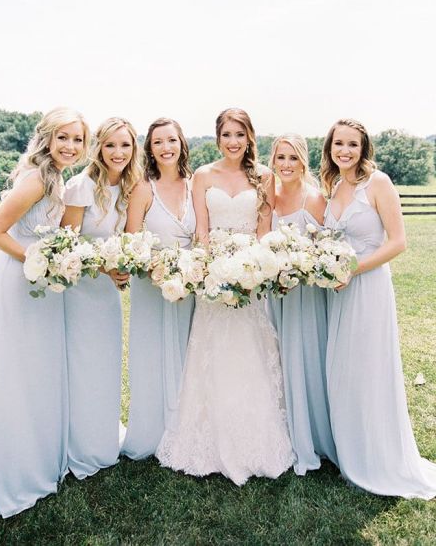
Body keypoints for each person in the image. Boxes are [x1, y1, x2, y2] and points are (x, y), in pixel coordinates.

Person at [0, 107, 90, 519]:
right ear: (47, 139)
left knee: (37, 371)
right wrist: (37, 261)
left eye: (77, 139)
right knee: (16, 371)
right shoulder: (35, 179)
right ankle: (10, 469)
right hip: (18, 282)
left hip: (39, 285)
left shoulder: (57, 178)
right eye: (62, 137)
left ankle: (37, 455)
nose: (70, 146)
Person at [156, 108, 294, 486]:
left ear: (250, 136)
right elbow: (202, 231)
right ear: (218, 137)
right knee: (212, 354)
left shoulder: (264, 176)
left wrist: (255, 268)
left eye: (240, 134)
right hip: (213, 276)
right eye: (226, 134)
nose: (233, 141)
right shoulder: (203, 175)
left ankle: (255, 439)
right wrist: (209, 270)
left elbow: (264, 230)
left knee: (249, 351)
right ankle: (208, 440)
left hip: (250, 276)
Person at [322, 118, 436, 499]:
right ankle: (350, 448)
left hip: (367, 287)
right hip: (337, 293)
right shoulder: (334, 184)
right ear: (330, 147)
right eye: (339, 144)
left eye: (352, 145)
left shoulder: (379, 183)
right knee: (343, 368)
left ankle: (377, 457)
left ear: (363, 147)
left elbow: (398, 242)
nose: (345, 151)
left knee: (369, 367)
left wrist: (354, 268)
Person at [61, 117, 141, 479]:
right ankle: (80, 442)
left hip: (107, 294)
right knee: (82, 364)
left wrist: (123, 265)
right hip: (79, 290)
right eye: (110, 145)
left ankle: (102, 436)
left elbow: (125, 237)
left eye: (125, 145)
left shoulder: (129, 186)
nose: (118, 152)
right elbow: (67, 246)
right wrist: (105, 267)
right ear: (98, 148)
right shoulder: (81, 187)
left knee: (106, 363)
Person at [122, 118, 195, 460]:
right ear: (149, 149)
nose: (166, 148)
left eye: (171, 140)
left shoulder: (196, 186)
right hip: (151, 287)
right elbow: (131, 242)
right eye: (157, 142)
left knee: (188, 354)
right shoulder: (142, 188)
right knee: (151, 353)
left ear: (182, 143)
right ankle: (151, 432)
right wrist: (159, 271)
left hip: (191, 287)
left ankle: (186, 430)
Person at [267, 134, 337, 474]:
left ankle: (314, 435)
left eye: (292, 158)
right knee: (281, 360)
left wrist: (301, 265)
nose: (286, 164)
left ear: (303, 161)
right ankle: (287, 431)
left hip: (306, 295)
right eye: (280, 157)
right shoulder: (271, 197)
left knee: (304, 358)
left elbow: (328, 248)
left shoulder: (315, 198)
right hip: (276, 294)